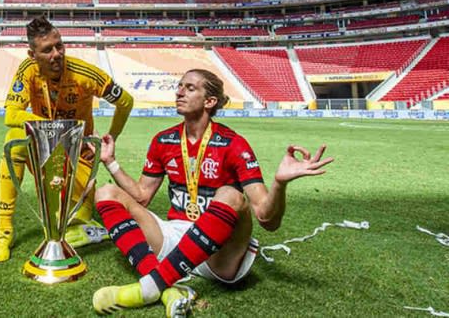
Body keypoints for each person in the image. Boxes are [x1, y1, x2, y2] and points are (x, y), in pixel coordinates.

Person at [92, 69, 333, 316]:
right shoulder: (163, 141)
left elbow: (266, 219)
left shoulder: (233, 144)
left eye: (189, 88)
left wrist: (280, 184)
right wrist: (111, 162)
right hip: (174, 238)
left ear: (210, 101)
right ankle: (165, 287)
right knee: (106, 192)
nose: (179, 91)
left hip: (219, 254)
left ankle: (150, 286)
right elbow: (142, 196)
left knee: (230, 195)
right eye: (179, 86)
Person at [0, 16, 134, 262]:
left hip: (79, 158)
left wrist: (113, 136)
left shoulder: (84, 74)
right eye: (47, 50)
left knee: (74, 228)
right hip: (45, 151)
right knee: (13, 139)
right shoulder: (27, 70)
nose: (57, 53)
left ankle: (80, 216)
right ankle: (4, 230)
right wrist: (56, 129)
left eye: (60, 45)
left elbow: (126, 101)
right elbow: (11, 115)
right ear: (32, 54)